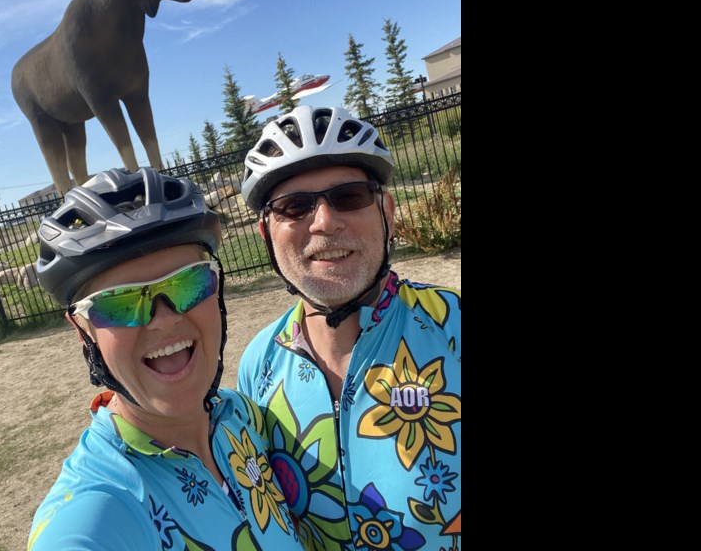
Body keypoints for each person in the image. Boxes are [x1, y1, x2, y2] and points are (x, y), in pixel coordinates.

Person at [27, 167, 303, 551]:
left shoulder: (242, 416)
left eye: (188, 282)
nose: (165, 320)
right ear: (83, 331)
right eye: (120, 303)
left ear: (216, 289)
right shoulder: (98, 511)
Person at [236, 106, 461, 551]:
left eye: (350, 196)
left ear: (387, 212)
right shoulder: (258, 364)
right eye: (293, 206)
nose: (324, 221)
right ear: (266, 233)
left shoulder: (452, 328)